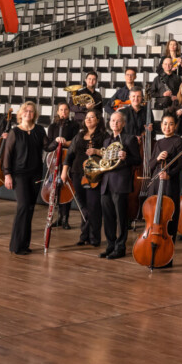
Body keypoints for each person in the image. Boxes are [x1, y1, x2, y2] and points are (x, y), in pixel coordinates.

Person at [0, 102, 48, 256]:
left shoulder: (39, 130)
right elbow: (7, 155)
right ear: (21, 113)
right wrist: (7, 174)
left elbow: (48, 147)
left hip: (36, 174)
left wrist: (60, 141)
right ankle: (16, 245)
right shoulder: (15, 132)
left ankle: (24, 244)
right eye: (26, 111)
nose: (28, 113)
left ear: (35, 114)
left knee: (30, 208)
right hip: (19, 175)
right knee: (23, 206)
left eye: (31, 111)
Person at [99, 110, 142, 261]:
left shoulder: (130, 139)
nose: (114, 123)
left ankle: (120, 247)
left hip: (121, 183)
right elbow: (105, 163)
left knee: (121, 218)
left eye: (118, 121)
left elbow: (137, 160)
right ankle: (110, 245)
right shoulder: (106, 141)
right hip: (106, 183)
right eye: (112, 121)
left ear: (123, 124)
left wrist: (126, 157)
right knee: (108, 218)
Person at [64, 109, 107, 248]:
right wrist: (64, 171)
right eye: (87, 117)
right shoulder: (79, 135)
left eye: (92, 117)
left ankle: (94, 237)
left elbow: (108, 154)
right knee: (83, 207)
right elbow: (70, 154)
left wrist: (96, 151)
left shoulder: (103, 136)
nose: (88, 119)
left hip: (94, 175)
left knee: (94, 205)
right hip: (77, 173)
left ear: (98, 120)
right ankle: (84, 235)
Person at [146, 112, 182, 241]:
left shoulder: (179, 142)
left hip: (169, 183)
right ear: (161, 125)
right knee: (153, 214)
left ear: (175, 126)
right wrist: (158, 158)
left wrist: (169, 175)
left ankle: (168, 246)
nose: (167, 127)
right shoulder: (158, 142)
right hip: (155, 182)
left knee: (169, 216)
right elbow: (150, 165)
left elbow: (181, 164)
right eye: (165, 124)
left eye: (171, 124)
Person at [47, 101, 78, 228]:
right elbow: (49, 146)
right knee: (56, 189)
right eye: (61, 110)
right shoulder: (52, 126)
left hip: (68, 159)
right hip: (55, 161)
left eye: (66, 110)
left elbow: (76, 142)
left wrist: (65, 143)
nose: (63, 112)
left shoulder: (74, 125)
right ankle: (59, 217)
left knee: (66, 187)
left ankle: (65, 219)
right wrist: (56, 141)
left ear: (69, 111)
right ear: (57, 111)